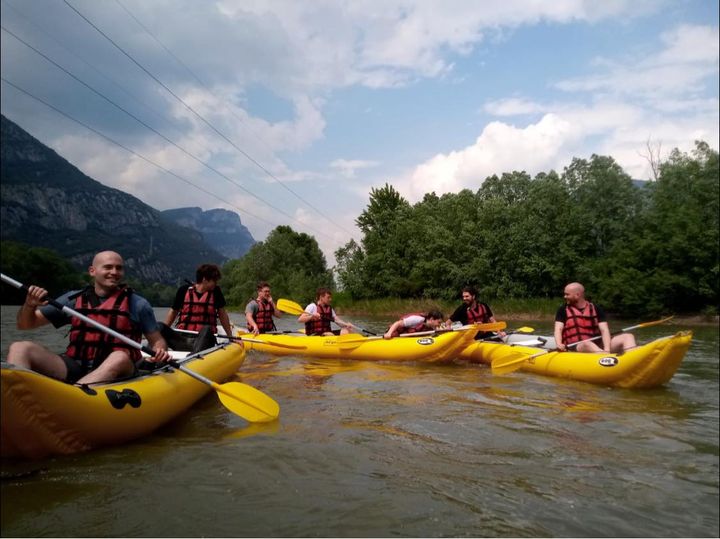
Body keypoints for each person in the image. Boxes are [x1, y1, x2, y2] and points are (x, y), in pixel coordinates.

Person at [7, 250, 170, 385]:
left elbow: (156, 340)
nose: (114, 272)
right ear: (92, 271)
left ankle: (73, 397)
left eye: (119, 268)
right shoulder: (72, 300)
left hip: (122, 369)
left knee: (119, 356)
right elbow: (25, 325)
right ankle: (18, 396)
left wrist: (159, 350)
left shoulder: (138, 304)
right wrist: (30, 305)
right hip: (76, 364)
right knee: (20, 348)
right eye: (108, 267)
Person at [163, 263, 234, 351]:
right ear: (205, 279)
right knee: (160, 327)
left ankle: (195, 355)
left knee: (207, 329)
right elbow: (173, 312)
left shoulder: (216, 292)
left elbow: (222, 314)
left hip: (205, 340)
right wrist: (163, 331)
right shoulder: (183, 290)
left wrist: (230, 336)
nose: (216, 283)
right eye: (214, 281)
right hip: (183, 338)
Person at [554, 282, 636, 353]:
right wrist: (559, 344)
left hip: (598, 345)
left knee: (628, 336)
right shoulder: (563, 310)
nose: (564, 296)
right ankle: (605, 358)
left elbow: (604, 330)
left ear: (577, 295)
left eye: (567, 294)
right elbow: (558, 329)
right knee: (587, 343)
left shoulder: (596, 308)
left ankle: (632, 358)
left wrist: (607, 349)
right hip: (577, 347)